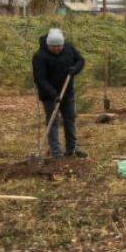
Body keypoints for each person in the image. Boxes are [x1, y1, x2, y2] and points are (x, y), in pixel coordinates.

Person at [32, 28, 86, 158]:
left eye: (59, 46)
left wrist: (75, 69)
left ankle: (71, 149)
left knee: (70, 120)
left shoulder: (68, 48)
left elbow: (80, 60)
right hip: (49, 96)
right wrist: (53, 95)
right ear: (48, 45)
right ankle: (56, 152)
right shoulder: (40, 56)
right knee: (53, 122)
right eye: (54, 47)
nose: (57, 49)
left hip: (67, 93)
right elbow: (40, 79)